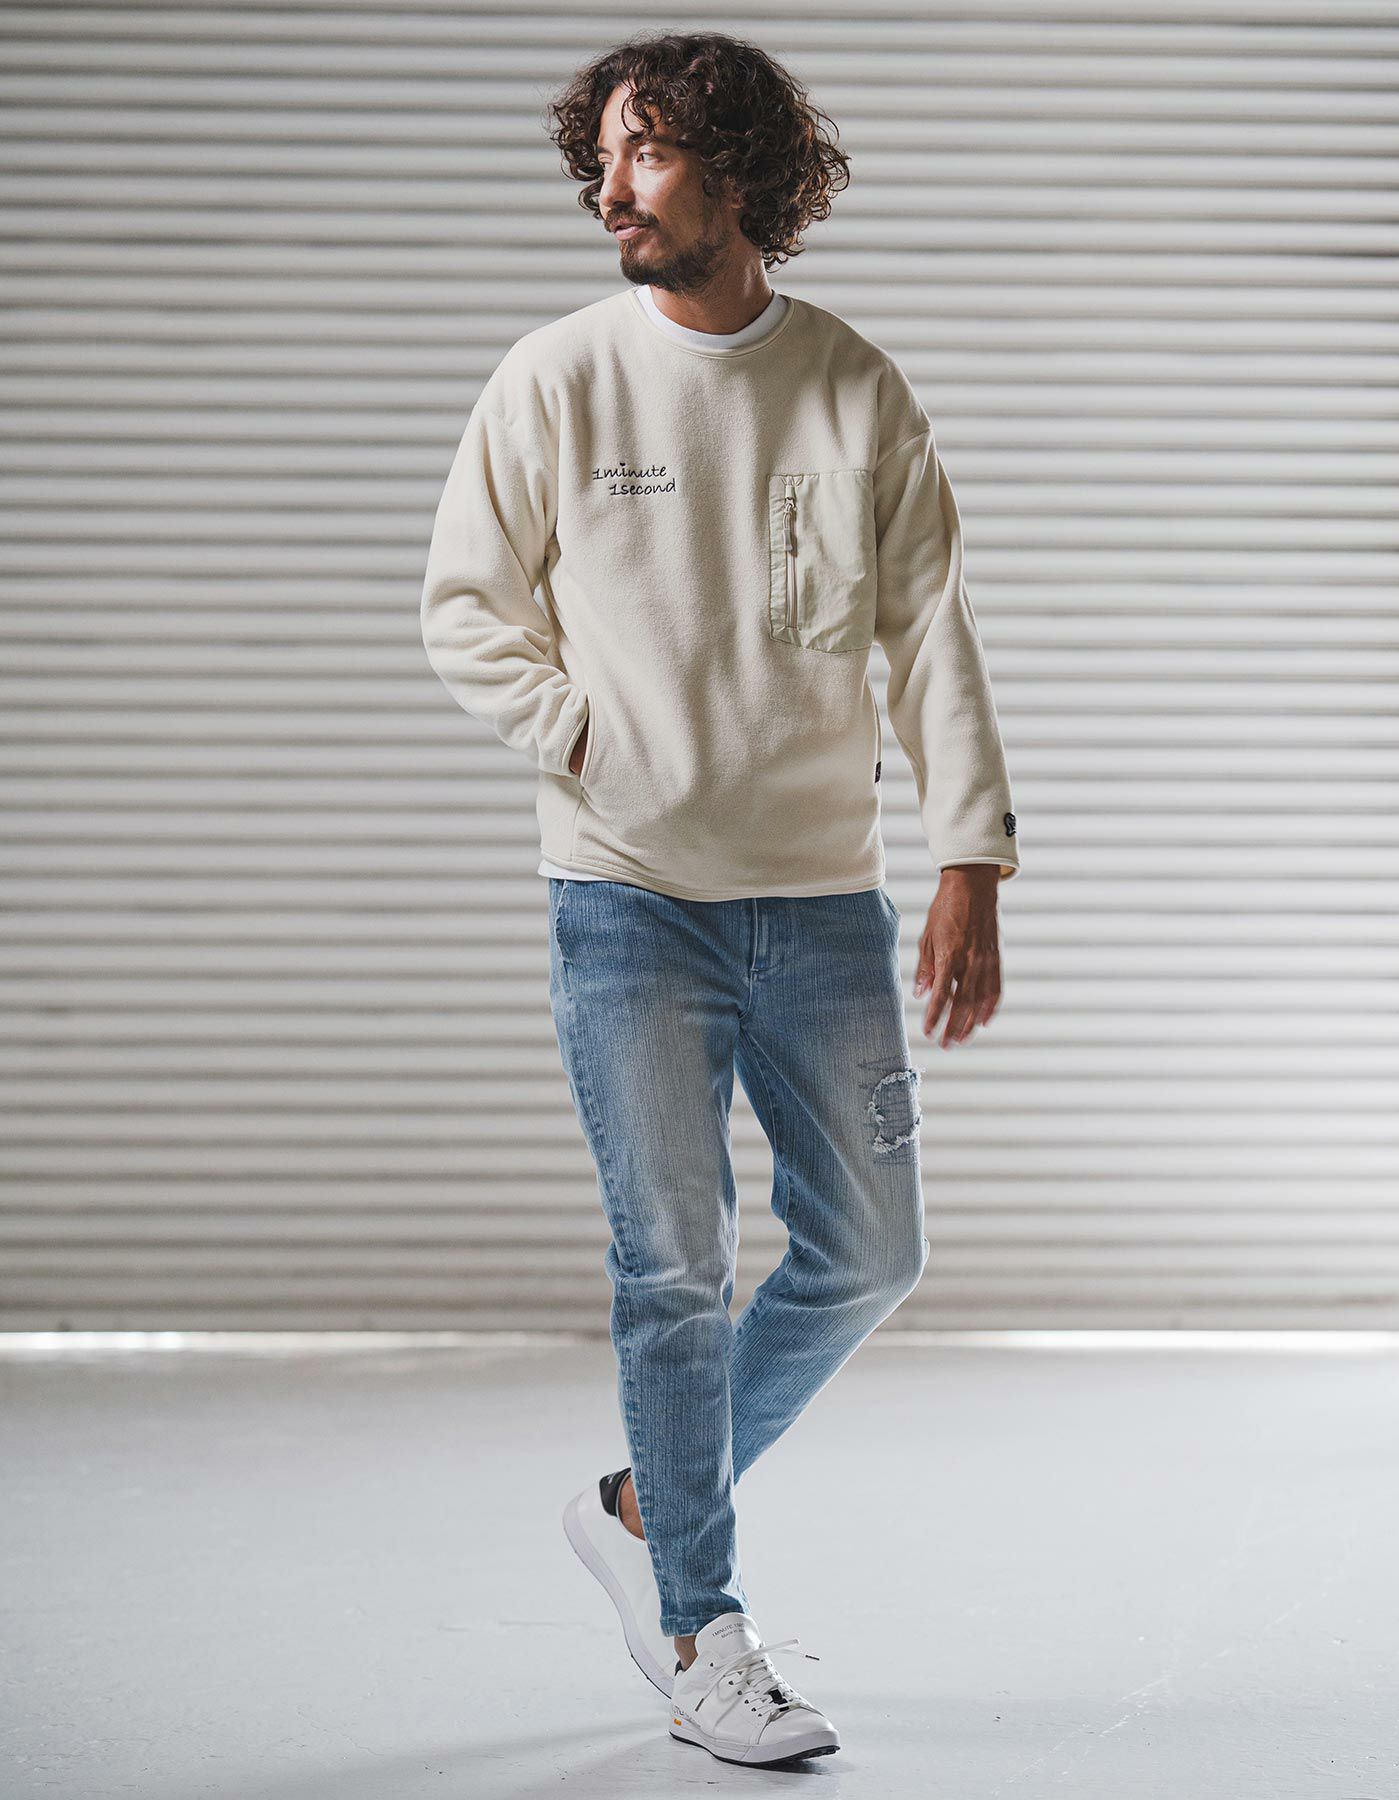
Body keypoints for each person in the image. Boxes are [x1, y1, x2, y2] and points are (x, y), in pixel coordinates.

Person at [419, 29, 1018, 1771]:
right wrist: (580, 731)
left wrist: (971, 856)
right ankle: (701, 1625)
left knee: (872, 1249)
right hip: (626, 902)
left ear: (742, 171)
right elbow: (465, 606)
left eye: (650, 154)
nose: (612, 191)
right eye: (602, 158)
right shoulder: (556, 380)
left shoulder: (852, 387)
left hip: (823, 903)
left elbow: (930, 637)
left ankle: (637, 1506)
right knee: (671, 1267)